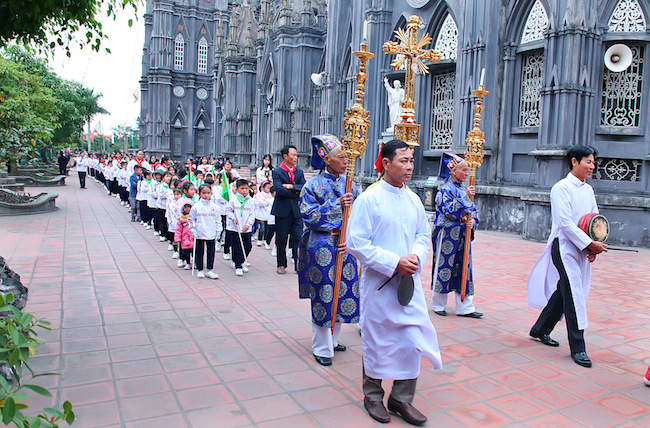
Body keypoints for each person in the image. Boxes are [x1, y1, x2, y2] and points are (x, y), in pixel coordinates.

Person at [347, 140, 442, 426]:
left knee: (411, 339)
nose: (410, 166)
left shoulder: (413, 199)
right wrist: (393, 262)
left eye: (412, 160)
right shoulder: (370, 198)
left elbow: (423, 236)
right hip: (380, 285)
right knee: (379, 338)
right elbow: (356, 243)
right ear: (386, 163)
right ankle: (373, 395)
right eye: (403, 160)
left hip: (408, 285)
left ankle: (401, 398)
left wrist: (415, 257)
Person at [528, 145, 607, 368]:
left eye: (593, 162)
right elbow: (564, 222)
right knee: (574, 294)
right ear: (574, 161)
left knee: (566, 291)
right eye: (588, 162)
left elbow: (594, 220)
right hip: (564, 247)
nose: (592, 166)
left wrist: (592, 246)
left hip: (581, 247)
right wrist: (589, 244)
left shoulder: (588, 190)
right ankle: (578, 347)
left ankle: (540, 328)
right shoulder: (561, 188)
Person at [298, 135, 360, 367]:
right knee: (324, 293)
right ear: (327, 160)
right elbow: (309, 216)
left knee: (344, 291)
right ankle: (321, 347)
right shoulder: (312, 185)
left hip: (345, 245)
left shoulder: (350, 183)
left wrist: (351, 238)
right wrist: (337, 205)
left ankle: (333, 339)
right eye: (341, 157)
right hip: (322, 244)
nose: (346, 161)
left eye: (346, 157)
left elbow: (360, 215)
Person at [431, 152, 483, 318]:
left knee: (465, 268)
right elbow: (450, 211)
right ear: (454, 171)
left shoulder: (464, 189)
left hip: (462, 234)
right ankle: (439, 304)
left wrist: (472, 221)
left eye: (468, 170)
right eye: (464, 170)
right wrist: (465, 198)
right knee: (444, 266)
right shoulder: (445, 190)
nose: (467, 174)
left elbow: (472, 210)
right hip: (447, 234)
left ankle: (465, 306)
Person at [271, 145, 306, 274]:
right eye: (293, 155)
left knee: (298, 237)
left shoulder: (299, 172)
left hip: (296, 211)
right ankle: (281, 264)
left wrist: (290, 186)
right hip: (282, 210)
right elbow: (279, 190)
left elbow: (303, 187)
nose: (295, 158)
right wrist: (295, 191)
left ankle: (298, 265)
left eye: (296, 155)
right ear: (285, 156)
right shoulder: (277, 172)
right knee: (282, 238)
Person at [189, 184, 222, 279]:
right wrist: (193, 229)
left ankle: (209, 269)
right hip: (199, 232)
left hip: (211, 233)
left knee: (211, 251)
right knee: (199, 251)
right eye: (203, 193)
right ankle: (200, 269)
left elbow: (218, 220)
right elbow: (191, 219)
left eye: (208, 193)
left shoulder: (214, 206)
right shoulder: (196, 206)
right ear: (199, 193)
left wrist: (218, 231)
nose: (206, 195)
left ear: (211, 193)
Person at [226, 179, 256, 276]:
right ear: (237, 189)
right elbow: (228, 211)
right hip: (235, 228)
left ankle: (242, 260)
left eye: (246, 188)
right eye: (242, 188)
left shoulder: (251, 201)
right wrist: (233, 218)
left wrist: (248, 224)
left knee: (248, 246)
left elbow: (252, 214)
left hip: (246, 228)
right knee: (237, 247)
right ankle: (238, 265)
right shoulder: (233, 200)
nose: (244, 191)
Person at [175, 200, 195, 270]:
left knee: (194, 252)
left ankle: (195, 262)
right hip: (185, 239)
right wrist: (177, 238)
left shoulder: (194, 218)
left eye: (189, 207)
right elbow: (178, 230)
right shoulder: (181, 219)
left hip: (193, 238)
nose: (187, 209)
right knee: (186, 253)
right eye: (185, 207)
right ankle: (188, 263)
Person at [254, 180, 273, 248]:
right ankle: (259, 239)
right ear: (263, 188)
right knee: (261, 228)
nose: (268, 189)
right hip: (261, 214)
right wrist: (266, 202)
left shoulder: (271, 195)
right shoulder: (259, 195)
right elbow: (259, 203)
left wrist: (266, 202)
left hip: (268, 214)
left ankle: (265, 239)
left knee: (267, 229)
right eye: (267, 188)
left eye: (269, 187)